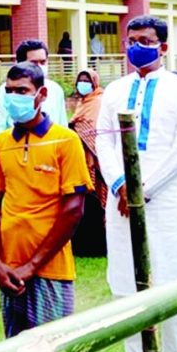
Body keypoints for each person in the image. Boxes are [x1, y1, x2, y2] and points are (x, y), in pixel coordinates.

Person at [97, 15, 177, 352]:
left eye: (145, 39)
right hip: (121, 201)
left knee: (174, 285)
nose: (136, 46)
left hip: (166, 202)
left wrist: (143, 188)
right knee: (126, 287)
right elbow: (104, 143)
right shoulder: (114, 89)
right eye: (131, 39)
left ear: (163, 46)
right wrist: (120, 185)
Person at [0, 62, 92, 352]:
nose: (15, 97)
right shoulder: (0, 143)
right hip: (8, 270)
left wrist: (31, 266)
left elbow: (73, 209)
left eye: (23, 91)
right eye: (10, 91)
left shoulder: (66, 141)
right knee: (17, 351)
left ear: (41, 95)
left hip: (50, 269)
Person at [0, 40, 68, 140]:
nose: (40, 67)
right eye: (34, 63)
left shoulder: (56, 90)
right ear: (20, 64)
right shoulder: (5, 91)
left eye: (43, 62)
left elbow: (62, 124)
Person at [68, 69, 107, 257]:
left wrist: (78, 129)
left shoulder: (99, 102)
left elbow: (97, 130)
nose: (83, 84)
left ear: (94, 83)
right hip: (80, 159)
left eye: (87, 81)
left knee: (98, 200)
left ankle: (99, 245)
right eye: (80, 81)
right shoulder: (81, 103)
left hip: (95, 160)